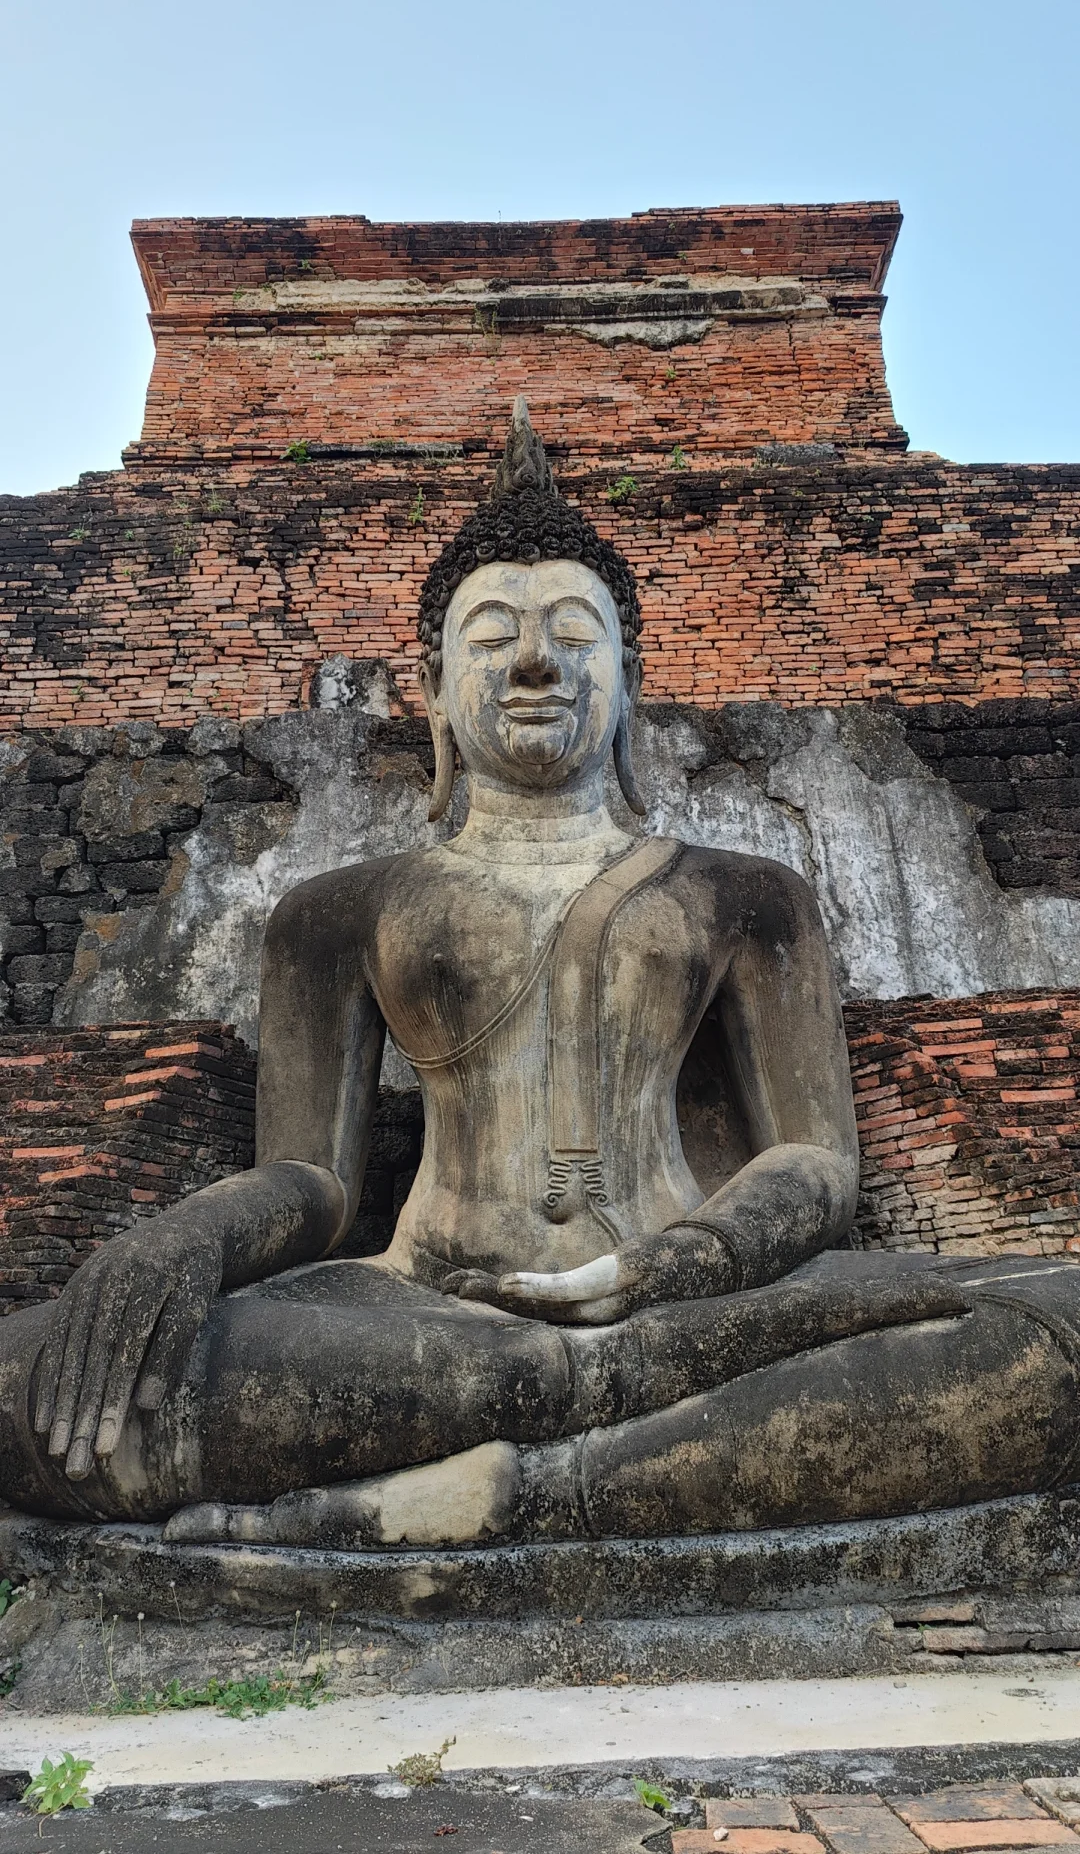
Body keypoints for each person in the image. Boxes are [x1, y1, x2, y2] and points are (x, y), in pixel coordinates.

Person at [2, 403, 1078, 1547]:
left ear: (628, 678)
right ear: (432, 691)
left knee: (1056, 1325)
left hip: (691, 1304)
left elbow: (816, 1159)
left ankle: (508, 1492)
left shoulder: (747, 894)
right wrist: (187, 1237)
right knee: (34, 1376)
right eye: (491, 636)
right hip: (426, 1316)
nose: (532, 660)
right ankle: (614, 1456)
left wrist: (690, 1260)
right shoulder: (338, 910)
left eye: (574, 630)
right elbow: (312, 1176)